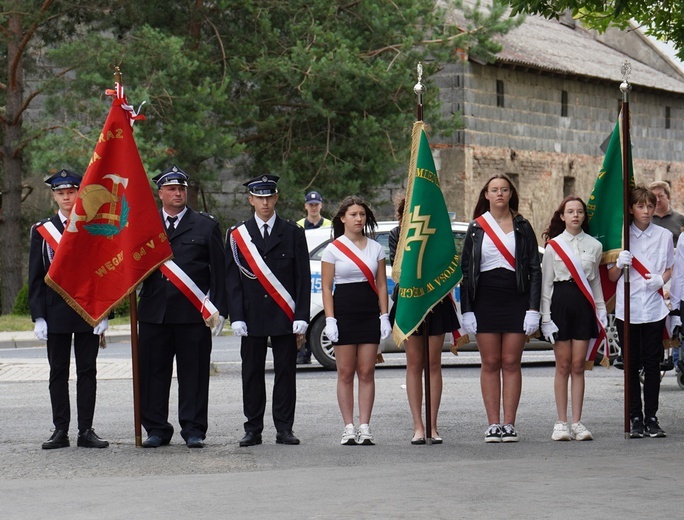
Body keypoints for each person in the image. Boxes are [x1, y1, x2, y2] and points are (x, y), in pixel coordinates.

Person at [137, 165, 228, 449]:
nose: (178, 193)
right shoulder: (144, 225)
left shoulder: (206, 225)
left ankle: (193, 429)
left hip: (193, 315)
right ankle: (156, 428)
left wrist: (219, 310)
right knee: (152, 374)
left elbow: (219, 272)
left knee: (195, 374)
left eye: (182, 189)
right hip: (155, 314)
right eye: (172, 189)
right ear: (160, 192)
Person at [226, 174, 311, 447]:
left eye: (269, 197)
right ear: (251, 200)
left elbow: (302, 279)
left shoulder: (293, 232)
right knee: (251, 373)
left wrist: (302, 316)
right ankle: (253, 428)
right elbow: (232, 280)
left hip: (284, 313)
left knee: (285, 373)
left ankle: (284, 428)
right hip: (251, 316)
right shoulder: (237, 235)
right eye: (259, 197)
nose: (265, 202)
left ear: (276, 198)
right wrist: (236, 316)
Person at [28, 169, 110, 449]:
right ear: (54, 196)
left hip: (88, 310)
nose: (66, 197)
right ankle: (60, 429)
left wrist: (104, 312)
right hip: (55, 313)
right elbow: (36, 277)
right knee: (58, 372)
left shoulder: (93, 226)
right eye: (61, 193)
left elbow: (103, 273)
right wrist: (38, 316)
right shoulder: (42, 231)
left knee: (87, 371)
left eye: (71, 192)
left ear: (78, 194)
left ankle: (86, 430)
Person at [459, 174, 541, 443]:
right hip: (485, 298)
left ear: (510, 193)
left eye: (504, 189)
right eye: (494, 190)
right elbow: (467, 271)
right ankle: (493, 423)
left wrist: (533, 308)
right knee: (491, 362)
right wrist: (467, 309)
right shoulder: (475, 228)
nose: (499, 194)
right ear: (486, 195)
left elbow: (533, 269)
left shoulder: (522, 226)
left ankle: (510, 423)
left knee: (510, 361)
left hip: (516, 297)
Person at [389, 194, 459, 444]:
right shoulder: (397, 233)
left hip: (436, 302)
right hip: (410, 300)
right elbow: (400, 268)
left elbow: (448, 262)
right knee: (414, 364)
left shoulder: (440, 232)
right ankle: (418, 426)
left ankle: (433, 425)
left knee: (433, 364)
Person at [321, 196, 391, 445]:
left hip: (368, 312)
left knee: (367, 371)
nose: (358, 219)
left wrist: (384, 315)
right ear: (342, 218)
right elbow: (327, 287)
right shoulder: (333, 249)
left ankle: (365, 426)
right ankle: (348, 426)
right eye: (353, 214)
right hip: (344, 311)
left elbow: (382, 283)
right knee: (345, 372)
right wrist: (331, 319)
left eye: (362, 214)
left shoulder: (376, 248)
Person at [608, 184, 674, 438]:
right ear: (631, 209)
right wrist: (619, 262)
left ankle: (652, 416)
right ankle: (635, 416)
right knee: (631, 365)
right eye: (640, 206)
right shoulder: (623, 237)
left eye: (650, 206)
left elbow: (669, 267)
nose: (646, 211)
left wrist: (661, 279)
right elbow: (613, 276)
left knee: (652, 364)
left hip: (654, 308)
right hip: (629, 309)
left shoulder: (664, 236)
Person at [540, 196, 606, 441]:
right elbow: (546, 284)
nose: (575, 215)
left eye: (579, 212)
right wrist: (545, 318)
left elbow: (596, 282)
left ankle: (577, 422)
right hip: (560, 303)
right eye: (570, 211)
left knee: (579, 365)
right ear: (562, 216)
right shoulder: (553, 246)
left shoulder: (594, 246)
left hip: (583, 304)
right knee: (563, 365)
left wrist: (601, 311)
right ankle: (561, 422)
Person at [296, 191, 331, 364]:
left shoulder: (329, 225)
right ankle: (303, 352)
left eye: (316, 204)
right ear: (305, 206)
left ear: (321, 205)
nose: (314, 207)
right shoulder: (299, 225)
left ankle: (306, 350)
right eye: (311, 205)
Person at [649, 181, 684, 247]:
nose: (657, 200)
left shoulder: (681, 219)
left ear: (668, 197)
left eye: (661, 196)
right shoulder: (645, 219)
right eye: (654, 196)